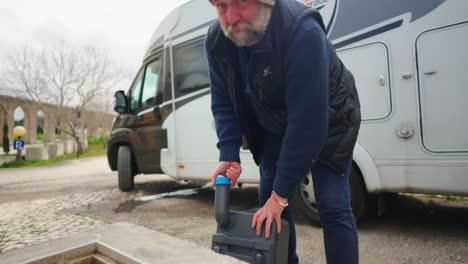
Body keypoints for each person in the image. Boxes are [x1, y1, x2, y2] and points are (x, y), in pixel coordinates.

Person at [206, 0, 361, 263]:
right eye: (221, 5)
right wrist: (229, 152)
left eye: (240, 3)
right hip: (272, 121)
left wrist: (281, 197)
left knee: (332, 204)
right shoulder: (218, 40)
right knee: (268, 199)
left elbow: (308, 124)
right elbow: (223, 101)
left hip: (330, 116)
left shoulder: (303, 32)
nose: (230, 17)